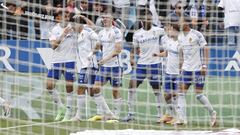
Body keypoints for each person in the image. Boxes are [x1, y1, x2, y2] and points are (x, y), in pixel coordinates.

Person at [123, 10, 165, 123]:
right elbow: (134, 48)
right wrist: (132, 58)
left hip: (155, 64)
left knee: (157, 89)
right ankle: (131, 113)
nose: (149, 21)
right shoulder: (137, 34)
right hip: (141, 65)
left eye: (150, 19)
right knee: (131, 85)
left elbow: (171, 34)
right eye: (147, 19)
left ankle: (160, 114)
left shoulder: (158, 30)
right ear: (142, 20)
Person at [175, 14, 217, 127]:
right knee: (181, 93)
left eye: (181, 21)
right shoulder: (179, 36)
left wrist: (205, 66)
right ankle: (182, 118)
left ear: (187, 23)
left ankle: (213, 113)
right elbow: (181, 52)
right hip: (186, 69)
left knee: (198, 95)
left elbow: (206, 49)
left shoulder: (197, 34)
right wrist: (180, 66)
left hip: (198, 69)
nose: (179, 23)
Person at [88, 13, 123, 123]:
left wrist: (105, 60)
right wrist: (90, 54)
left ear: (112, 19)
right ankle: (105, 113)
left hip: (115, 66)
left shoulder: (116, 31)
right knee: (95, 88)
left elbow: (118, 50)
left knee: (115, 91)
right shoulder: (101, 32)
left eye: (107, 17)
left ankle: (116, 116)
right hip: (104, 67)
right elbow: (98, 46)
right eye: (103, 17)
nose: (105, 19)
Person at [47, 11, 77, 122]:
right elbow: (54, 46)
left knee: (69, 87)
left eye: (68, 16)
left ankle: (69, 113)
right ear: (58, 18)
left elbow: (91, 28)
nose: (67, 17)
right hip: (56, 60)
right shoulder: (54, 30)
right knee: (49, 85)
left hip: (70, 60)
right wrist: (63, 34)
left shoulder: (73, 27)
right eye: (64, 16)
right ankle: (61, 107)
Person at [70, 17, 103, 121]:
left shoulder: (87, 30)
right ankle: (101, 112)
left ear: (79, 24)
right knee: (92, 91)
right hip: (83, 65)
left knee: (80, 88)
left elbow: (98, 41)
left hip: (90, 64)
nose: (72, 27)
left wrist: (92, 53)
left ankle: (78, 116)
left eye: (73, 24)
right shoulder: (77, 35)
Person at [153, 20, 181, 124]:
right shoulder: (169, 41)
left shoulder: (181, 42)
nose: (169, 31)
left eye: (172, 29)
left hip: (177, 73)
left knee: (176, 95)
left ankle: (178, 117)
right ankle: (170, 115)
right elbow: (167, 53)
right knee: (167, 95)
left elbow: (183, 57)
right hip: (168, 72)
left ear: (177, 31)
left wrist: (182, 70)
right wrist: (158, 55)